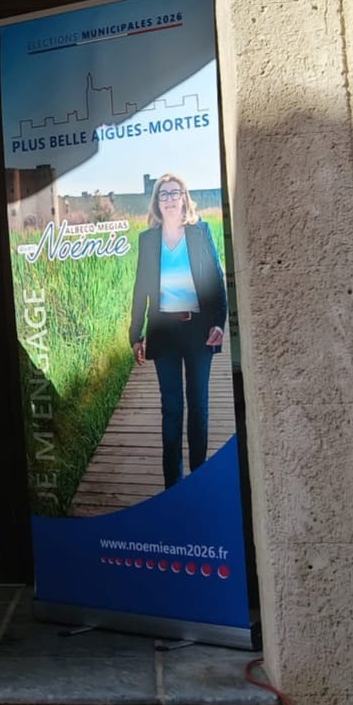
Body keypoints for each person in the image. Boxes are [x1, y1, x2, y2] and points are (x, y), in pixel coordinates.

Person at [129, 173, 227, 489]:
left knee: (198, 405)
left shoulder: (201, 232)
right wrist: (135, 334)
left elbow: (216, 278)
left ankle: (198, 480)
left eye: (175, 193)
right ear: (157, 203)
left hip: (198, 331)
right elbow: (140, 289)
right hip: (164, 333)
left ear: (185, 198)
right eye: (164, 195)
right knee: (171, 408)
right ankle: (173, 484)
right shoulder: (147, 240)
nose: (170, 199)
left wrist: (219, 323)